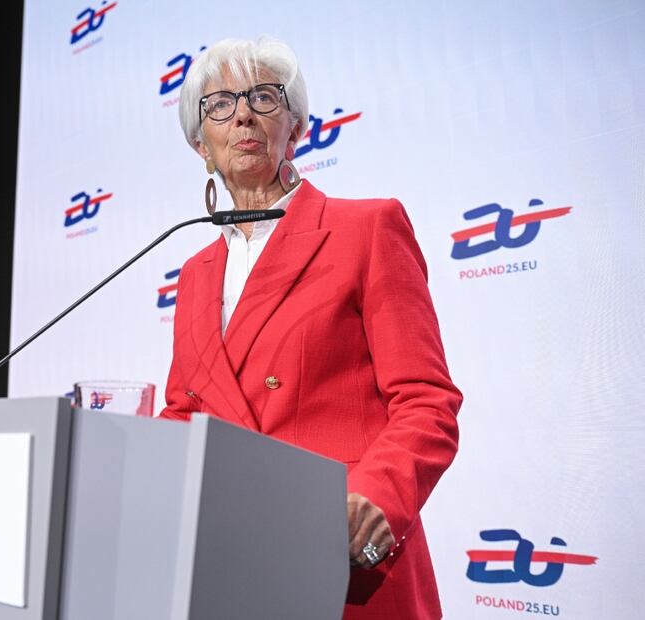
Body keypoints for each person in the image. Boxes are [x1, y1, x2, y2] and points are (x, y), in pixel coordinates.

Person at [159, 38, 462, 619]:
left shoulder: (366, 228)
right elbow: (184, 413)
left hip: (343, 552)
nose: (242, 115)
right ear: (201, 145)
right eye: (219, 104)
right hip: (230, 555)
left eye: (263, 98)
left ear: (295, 128)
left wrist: (378, 497)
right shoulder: (194, 274)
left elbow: (427, 401)